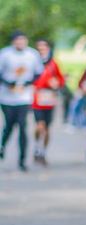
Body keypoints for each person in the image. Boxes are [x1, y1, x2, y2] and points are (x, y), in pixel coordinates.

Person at [0, 30, 44, 172]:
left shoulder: (32, 54)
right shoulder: (5, 54)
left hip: (24, 97)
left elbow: (38, 73)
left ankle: (22, 159)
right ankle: (2, 146)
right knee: (10, 125)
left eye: (23, 40)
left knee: (22, 126)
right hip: (7, 97)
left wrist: (27, 83)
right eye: (18, 40)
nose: (20, 43)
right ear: (13, 41)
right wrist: (10, 84)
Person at [31, 38, 64, 166]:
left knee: (47, 129)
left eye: (44, 48)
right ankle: (36, 147)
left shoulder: (53, 64)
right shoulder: (33, 63)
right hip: (37, 99)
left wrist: (56, 84)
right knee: (40, 126)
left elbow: (60, 80)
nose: (42, 51)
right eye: (39, 49)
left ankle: (43, 152)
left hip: (49, 100)